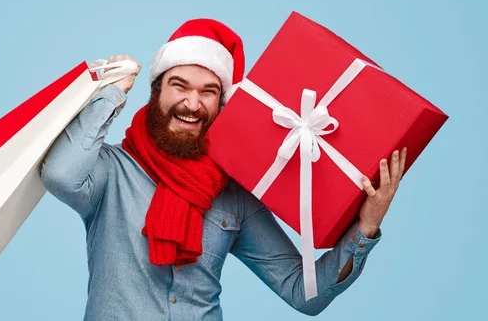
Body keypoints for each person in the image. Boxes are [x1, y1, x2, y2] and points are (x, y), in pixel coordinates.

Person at [39, 18, 406, 320]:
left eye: (208, 92)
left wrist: (366, 226)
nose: (192, 103)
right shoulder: (112, 171)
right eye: (178, 86)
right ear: (155, 92)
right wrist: (113, 93)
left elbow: (303, 293)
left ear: (221, 104)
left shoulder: (233, 195)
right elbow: (59, 175)